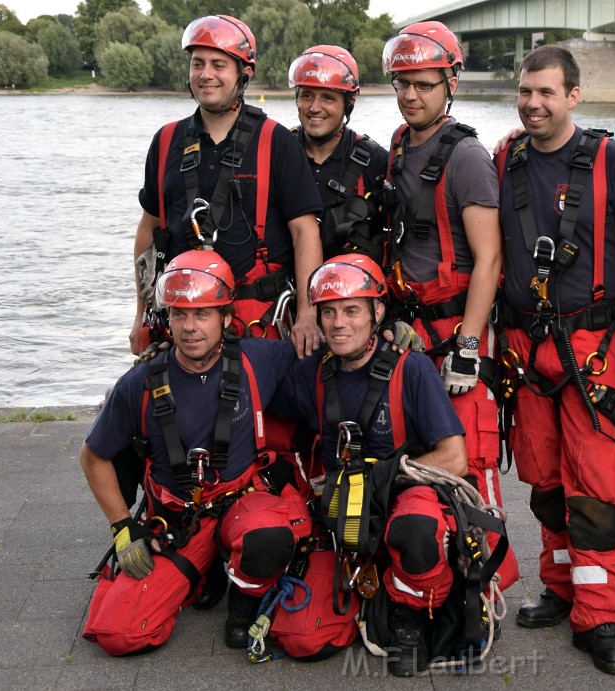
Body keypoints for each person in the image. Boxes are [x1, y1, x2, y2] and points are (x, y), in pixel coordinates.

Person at [494, 44, 615, 675]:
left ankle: (600, 615)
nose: (533, 103)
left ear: (574, 96)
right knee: (545, 482)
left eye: (547, 93)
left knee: (595, 489)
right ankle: (560, 588)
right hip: (526, 347)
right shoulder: (505, 158)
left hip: (594, 349)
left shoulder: (614, 160)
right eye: (526, 92)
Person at [81, 250, 313, 656]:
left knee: (269, 538)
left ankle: (242, 605)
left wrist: (392, 337)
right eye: (179, 315)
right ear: (167, 319)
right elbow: (93, 455)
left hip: (244, 504)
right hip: (180, 521)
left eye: (202, 314)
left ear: (226, 318)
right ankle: (206, 572)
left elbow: (344, 353)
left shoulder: (261, 359)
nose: (190, 328)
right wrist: (122, 528)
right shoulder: (138, 384)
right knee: (120, 635)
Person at [273, 255, 470, 676]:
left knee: (416, 526)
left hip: (399, 503)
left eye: (351, 311)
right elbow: (248, 384)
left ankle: (410, 617)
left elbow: (454, 458)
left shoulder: (411, 367)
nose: (338, 323)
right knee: (303, 638)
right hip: (343, 521)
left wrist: (380, 479)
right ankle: (366, 593)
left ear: (377, 313)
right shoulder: (312, 373)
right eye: (328, 312)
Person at [380, 20, 519, 592]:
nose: (411, 95)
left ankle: (486, 587)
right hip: (409, 331)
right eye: (403, 84)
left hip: (455, 332)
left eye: (424, 84)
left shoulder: (463, 157)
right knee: (420, 455)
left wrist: (468, 344)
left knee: (471, 461)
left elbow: (489, 259)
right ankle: (430, 577)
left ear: (449, 84)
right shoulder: (398, 146)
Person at [131, 14, 324, 359]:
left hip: (256, 321)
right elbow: (148, 231)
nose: (206, 75)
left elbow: (304, 233)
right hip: (182, 320)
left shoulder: (276, 142)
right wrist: (141, 314)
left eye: (219, 65)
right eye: (198, 64)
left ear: (242, 74)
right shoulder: (165, 141)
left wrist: (308, 314)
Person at [288, 45, 390, 263]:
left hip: (348, 289)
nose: (315, 107)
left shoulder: (377, 161)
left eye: (328, 98)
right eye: (307, 96)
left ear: (348, 104)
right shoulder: (279, 150)